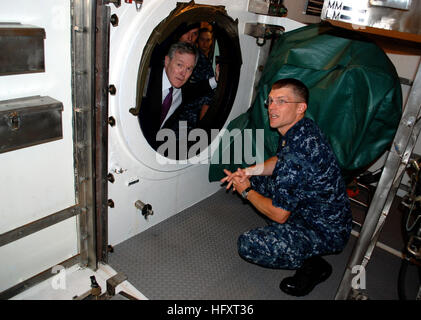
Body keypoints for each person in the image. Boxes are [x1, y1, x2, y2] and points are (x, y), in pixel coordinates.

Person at [220, 78, 352, 297]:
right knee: (257, 181)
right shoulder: (302, 127)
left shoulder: (298, 152)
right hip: (312, 208)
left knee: (249, 244)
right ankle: (297, 237)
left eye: (281, 101)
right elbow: (279, 160)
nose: (272, 107)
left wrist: (245, 190)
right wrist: (249, 172)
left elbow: (280, 215)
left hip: (326, 230)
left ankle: (314, 264)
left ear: (300, 108)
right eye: (270, 101)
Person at [138, 41, 216, 151]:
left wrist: (216, 79)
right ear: (167, 61)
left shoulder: (182, 89)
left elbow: (196, 89)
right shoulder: (145, 81)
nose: (183, 73)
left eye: (189, 69)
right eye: (179, 65)